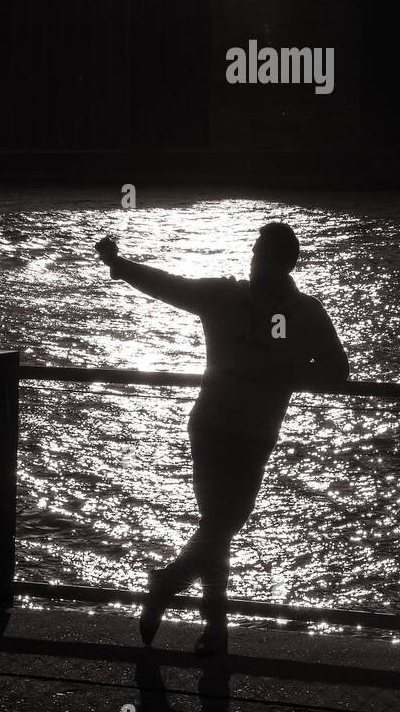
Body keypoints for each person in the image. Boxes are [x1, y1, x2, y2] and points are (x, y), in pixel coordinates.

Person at [95, 221, 349, 655]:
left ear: (271, 259)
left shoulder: (230, 298)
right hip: (246, 431)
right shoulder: (303, 312)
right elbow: (337, 370)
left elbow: (166, 285)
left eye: (258, 251)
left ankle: (203, 619)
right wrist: (288, 373)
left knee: (217, 526)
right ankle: (186, 601)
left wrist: (118, 264)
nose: (253, 257)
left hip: (216, 425)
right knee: (222, 525)